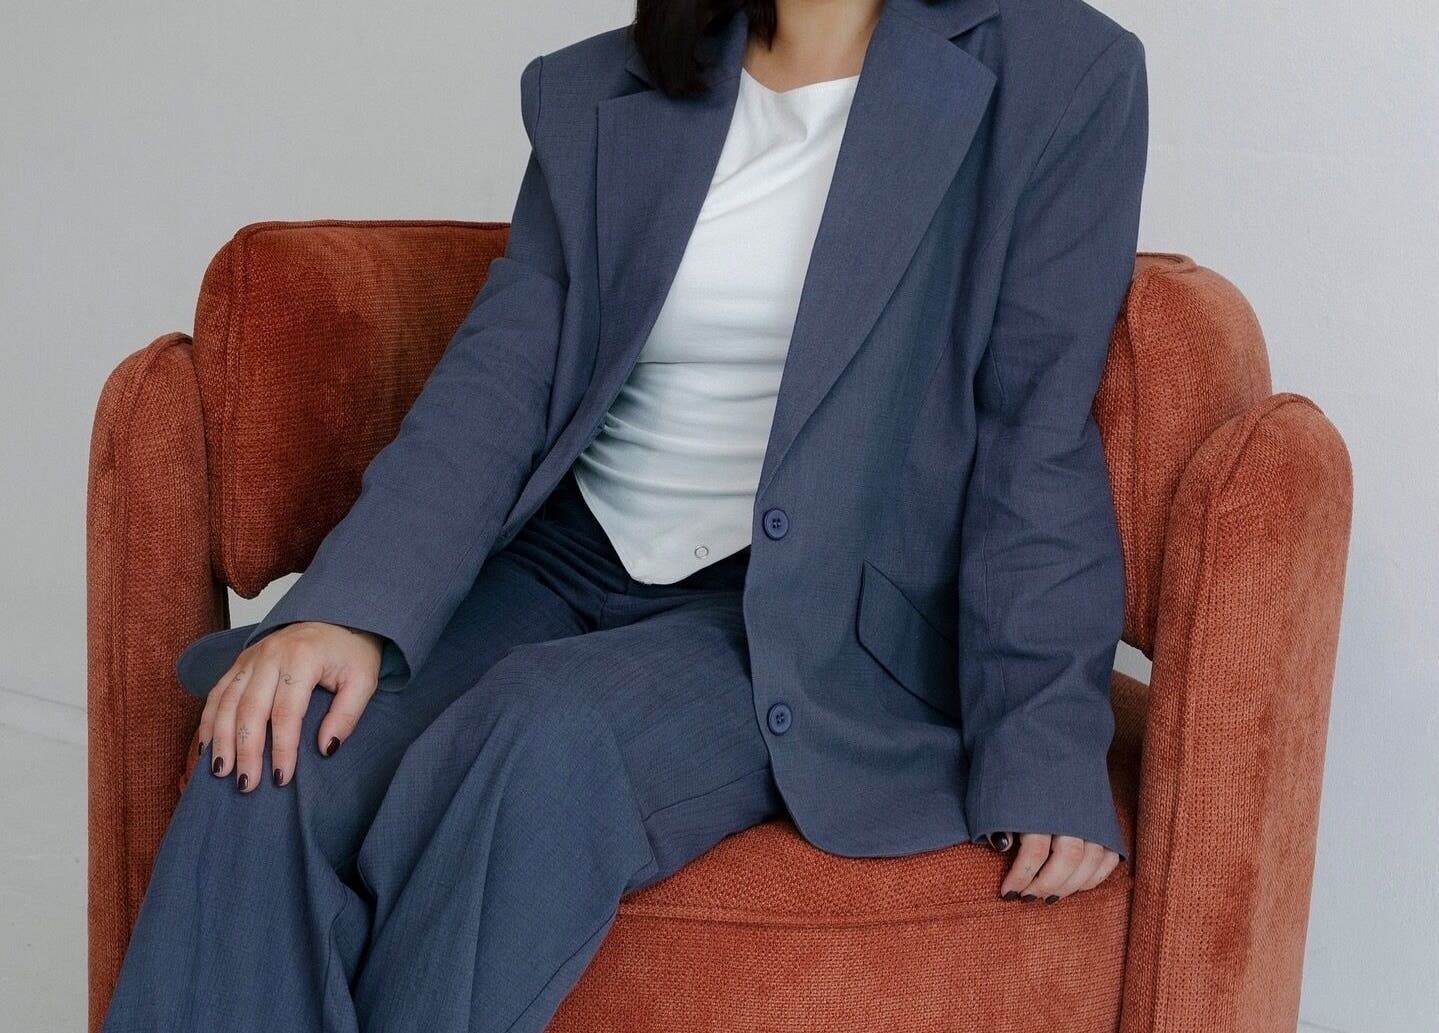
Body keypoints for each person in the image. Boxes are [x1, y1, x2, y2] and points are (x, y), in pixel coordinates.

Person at [99, 0, 1148, 1029]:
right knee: (272, 749)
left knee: (541, 744)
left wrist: (1041, 743)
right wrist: (349, 611)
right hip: (566, 561)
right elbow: (498, 385)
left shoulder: (1059, 75)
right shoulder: (606, 88)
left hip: (805, 617)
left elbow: (1032, 437)